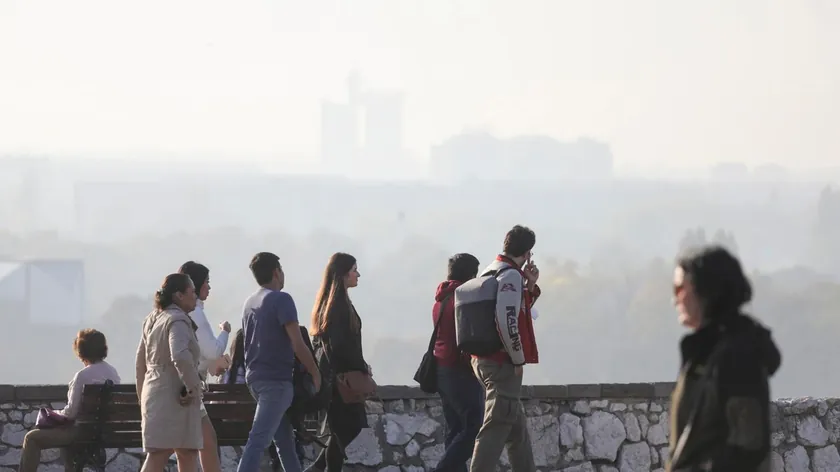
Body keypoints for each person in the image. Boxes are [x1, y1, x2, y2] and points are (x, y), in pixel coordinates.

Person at [667, 245, 781, 472]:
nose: (675, 300)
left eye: (680, 289)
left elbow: (748, 447)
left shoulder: (738, 355)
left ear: (705, 291)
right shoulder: (703, 353)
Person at [237, 252, 321, 472]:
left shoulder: (249, 302)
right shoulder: (282, 300)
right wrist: (315, 372)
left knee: (284, 442)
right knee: (258, 440)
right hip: (276, 382)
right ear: (276, 272)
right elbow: (297, 343)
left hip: (254, 379)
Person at [470, 225, 541, 472]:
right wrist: (517, 357)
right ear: (527, 252)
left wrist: (530, 285)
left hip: (483, 360)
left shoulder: (492, 270)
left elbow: (515, 308)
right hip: (502, 362)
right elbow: (507, 318)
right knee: (495, 426)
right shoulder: (510, 276)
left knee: (516, 431)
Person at [19, 329, 121, 472]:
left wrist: (54, 414)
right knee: (67, 443)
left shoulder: (82, 376)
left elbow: (71, 413)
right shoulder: (113, 373)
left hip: (81, 432)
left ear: (81, 352)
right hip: (105, 431)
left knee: (31, 438)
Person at [306, 252, 370, 472]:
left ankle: (316, 468)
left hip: (335, 377)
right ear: (343, 274)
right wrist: (361, 365)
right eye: (354, 270)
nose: (357, 274)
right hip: (340, 379)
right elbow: (339, 346)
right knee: (345, 428)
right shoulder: (338, 306)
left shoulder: (332, 304)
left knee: (343, 430)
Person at [135, 273, 204, 472]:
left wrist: (142, 396)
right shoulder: (178, 320)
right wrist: (193, 388)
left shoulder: (152, 319)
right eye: (192, 292)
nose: (195, 297)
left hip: (154, 391)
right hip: (174, 395)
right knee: (183, 452)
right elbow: (180, 355)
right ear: (179, 295)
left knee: (161, 453)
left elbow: (140, 361)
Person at [432, 253, 485, 472]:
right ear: (470, 274)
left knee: (454, 429)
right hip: (460, 369)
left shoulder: (441, 298)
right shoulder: (462, 299)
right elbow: (466, 337)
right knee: (474, 427)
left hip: (441, 368)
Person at [178, 261, 231, 472]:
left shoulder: (177, 313)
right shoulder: (196, 314)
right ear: (196, 285)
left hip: (183, 389)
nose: (209, 287)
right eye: (206, 282)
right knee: (204, 443)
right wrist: (225, 331)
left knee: (192, 448)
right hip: (189, 390)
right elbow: (213, 351)